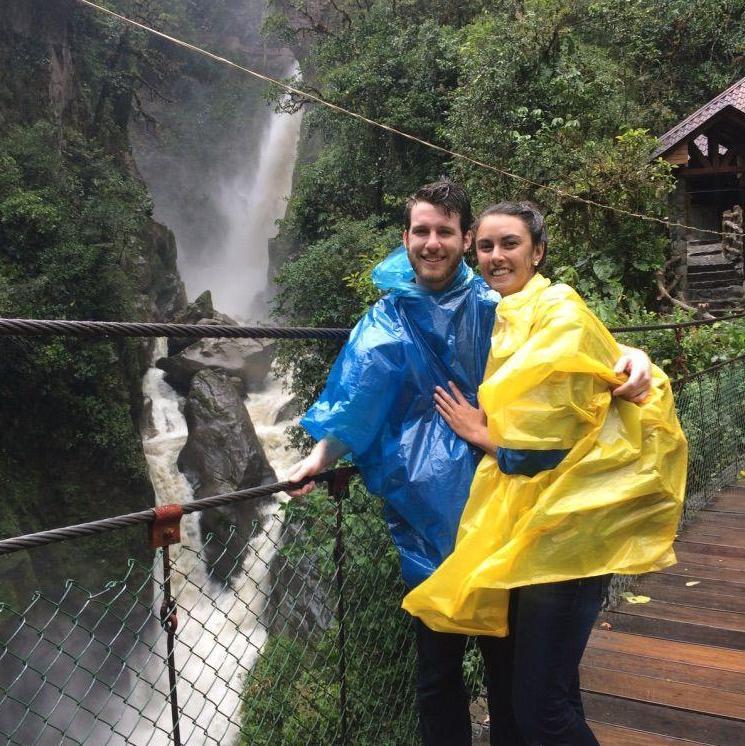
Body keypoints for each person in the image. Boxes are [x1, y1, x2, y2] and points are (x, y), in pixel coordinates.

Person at [287, 181, 653, 746]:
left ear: (463, 241)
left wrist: (632, 355)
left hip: (504, 514)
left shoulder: (497, 305)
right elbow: (355, 400)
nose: (432, 243)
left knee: (511, 676)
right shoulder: (386, 320)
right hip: (425, 521)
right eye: (422, 231)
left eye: (445, 232)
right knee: (437, 676)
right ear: (405, 238)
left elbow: (571, 345)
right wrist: (318, 458)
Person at [402, 202, 687, 745]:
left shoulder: (557, 307)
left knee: (541, 712)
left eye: (509, 244)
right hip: (537, 534)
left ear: (538, 251)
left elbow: (555, 433)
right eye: (486, 246)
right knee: (549, 695)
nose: (496, 255)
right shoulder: (499, 311)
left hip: (571, 529)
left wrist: (488, 439)